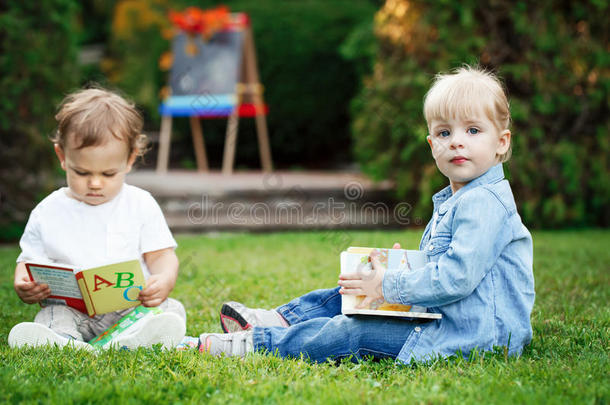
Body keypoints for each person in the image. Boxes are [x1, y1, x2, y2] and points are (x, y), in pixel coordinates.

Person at [196, 66, 535, 364]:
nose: (457, 142)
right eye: (445, 133)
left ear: (501, 142)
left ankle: (255, 343)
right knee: (353, 288)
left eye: (473, 131)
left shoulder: (483, 202)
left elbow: (456, 278)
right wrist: (404, 269)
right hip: (444, 319)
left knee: (353, 331)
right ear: (433, 145)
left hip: (471, 337)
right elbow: (444, 268)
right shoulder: (458, 198)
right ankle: (281, 320)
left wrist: (390, 284)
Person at [8, 88, 186, 350]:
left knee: (171, 309)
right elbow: (29, 262)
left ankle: (130, 337)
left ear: (129, 159)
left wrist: (164, 279)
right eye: (81, 172)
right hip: (72, 312)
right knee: (51, 317)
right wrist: (24, 284)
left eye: (108, 173)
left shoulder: (140, 204)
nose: (94, 183)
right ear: (62, 157)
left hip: (129, 308)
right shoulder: (48, 211)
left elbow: (161, 256)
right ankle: (67, 341)